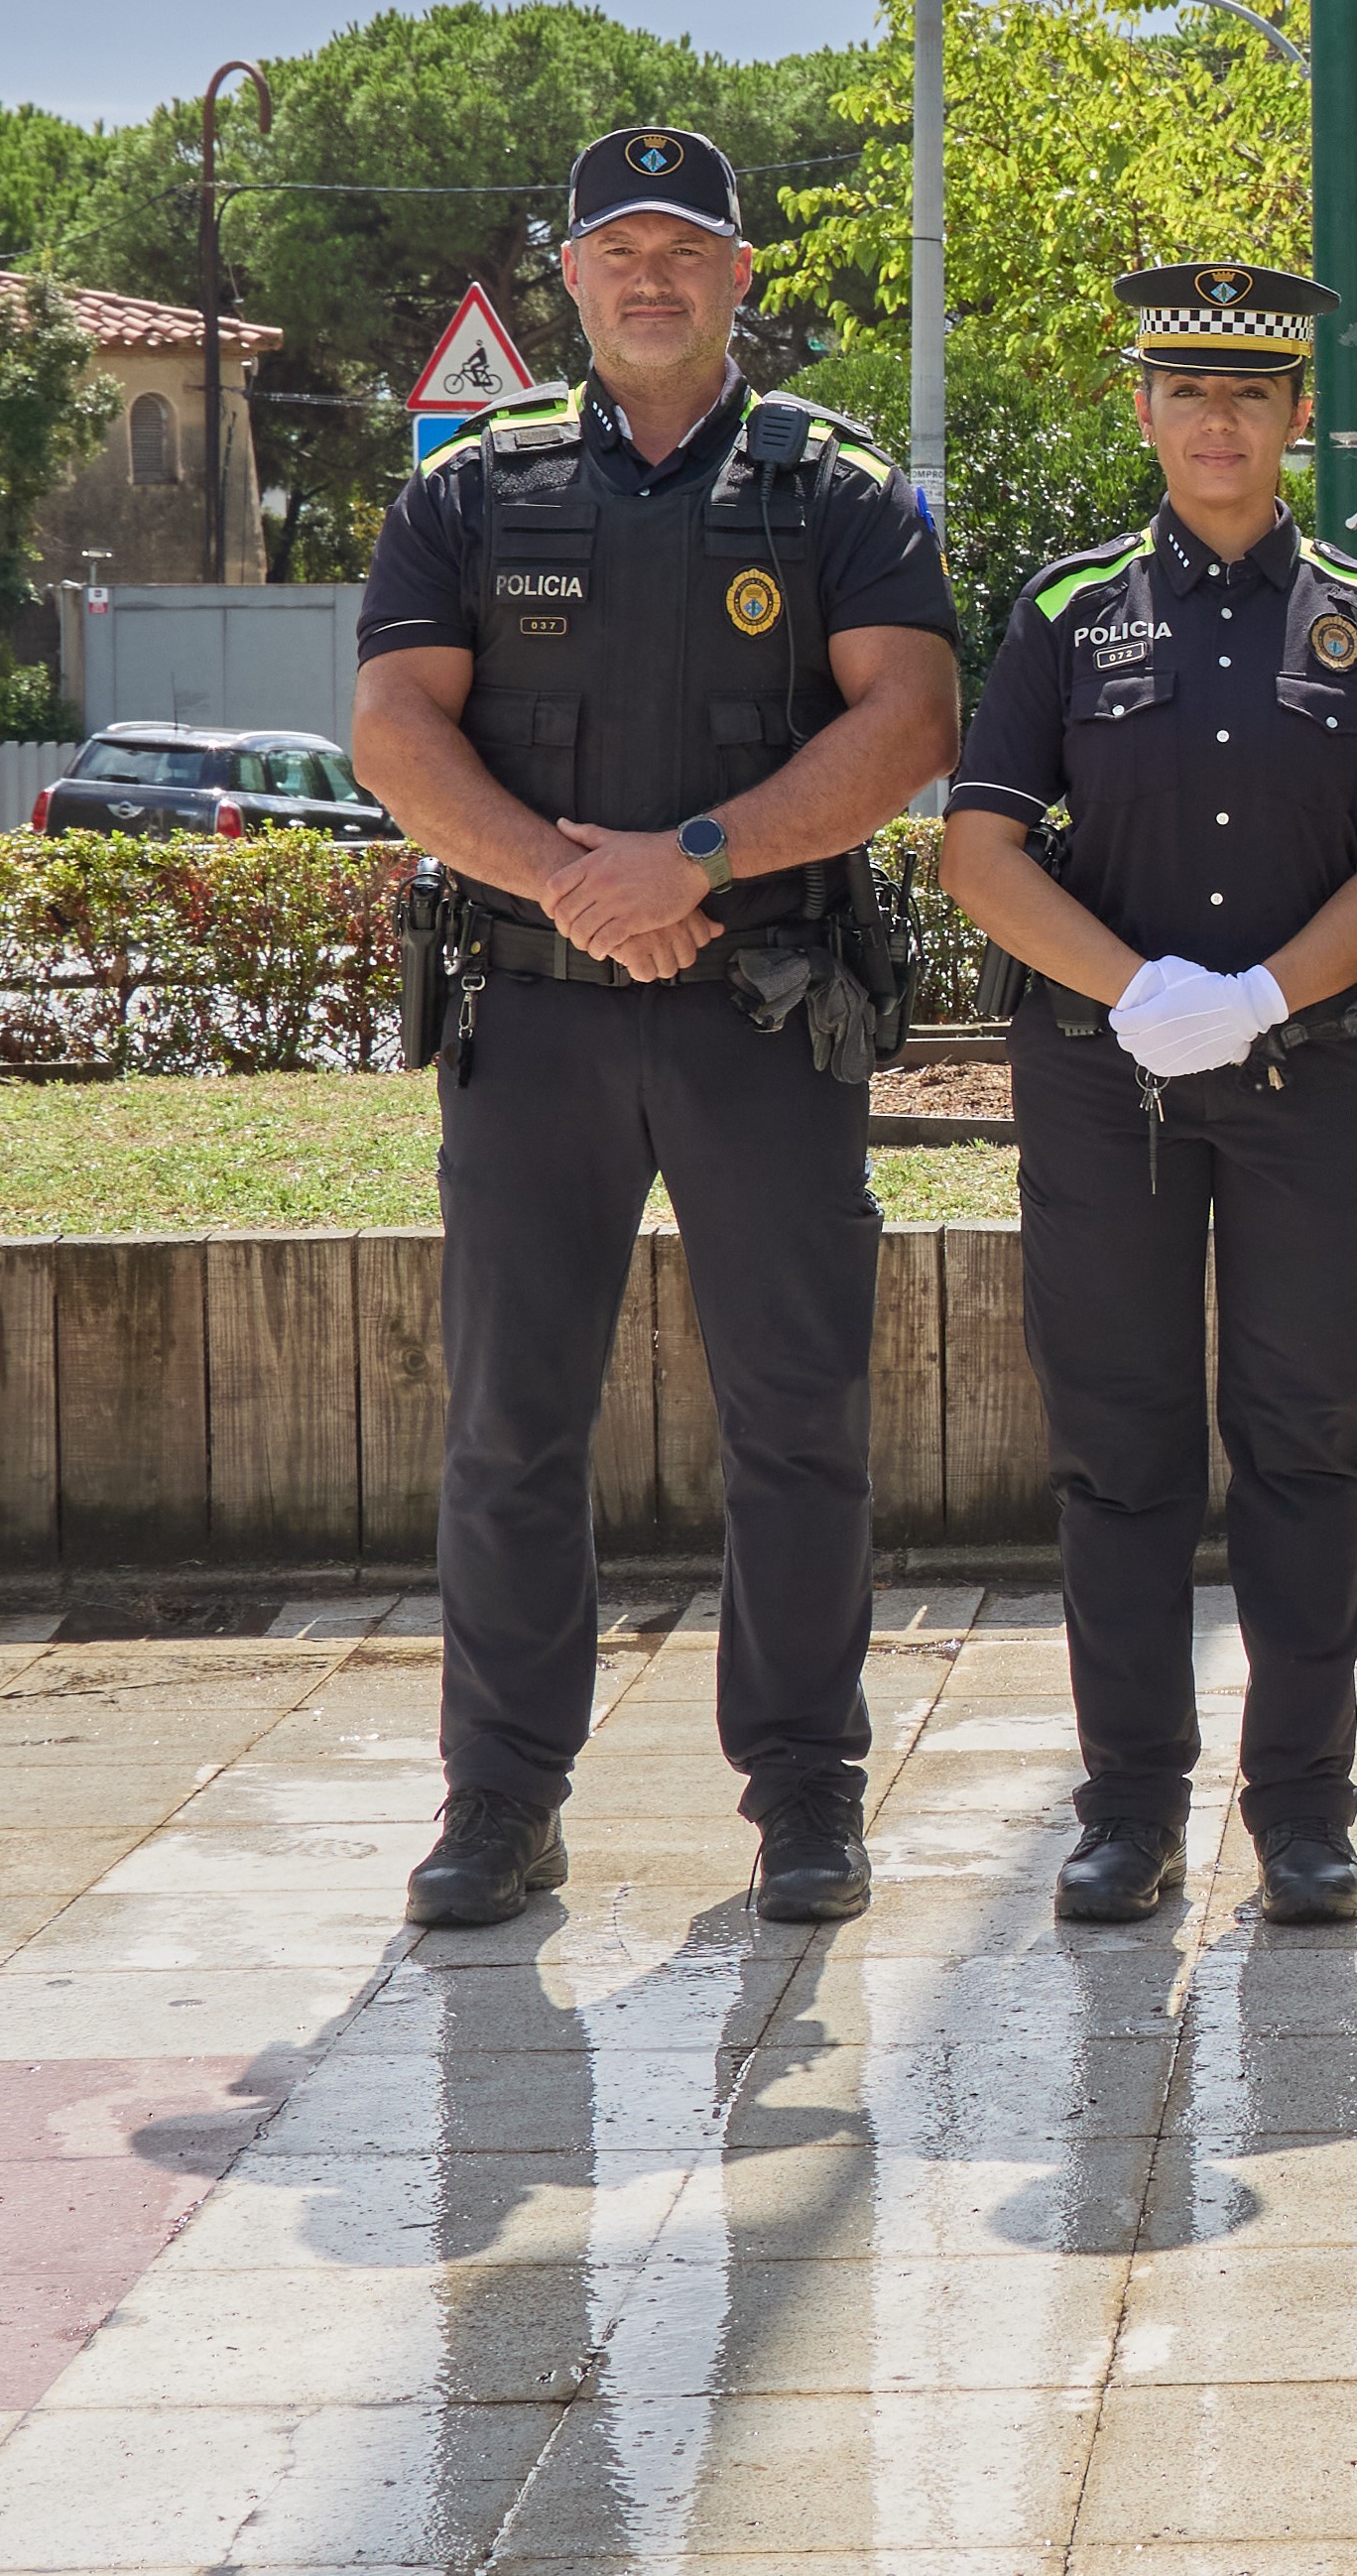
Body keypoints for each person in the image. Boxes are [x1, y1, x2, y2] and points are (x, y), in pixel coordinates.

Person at [353, 123, 959, 1929]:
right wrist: (570, 882)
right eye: (616, 248)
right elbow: (396, 733)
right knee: (512, 1423)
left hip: (764, 1019)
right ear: (568, 276)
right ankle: (500, 1802)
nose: (649, 275)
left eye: (684, 248)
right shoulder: (474, 489)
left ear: (739, 279)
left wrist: (690, 855)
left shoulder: (836, 489)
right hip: (531, 1023)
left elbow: (911, 719)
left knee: (797, 1418)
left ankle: (803, 1797)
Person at [939, 263, 1357, 1931]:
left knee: (1309, 1446)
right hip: (1106, 1090)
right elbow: (980, 848)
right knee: (1120, 1449)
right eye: (1185, 392)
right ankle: (1130, 1812)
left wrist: (1252, 996)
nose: (1217, 422)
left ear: (1297, 418)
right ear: (1144, 412)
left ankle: (1304, 1812)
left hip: (1319, 1079)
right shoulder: (1068, 610)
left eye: (1250, 395)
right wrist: (1134, 992)